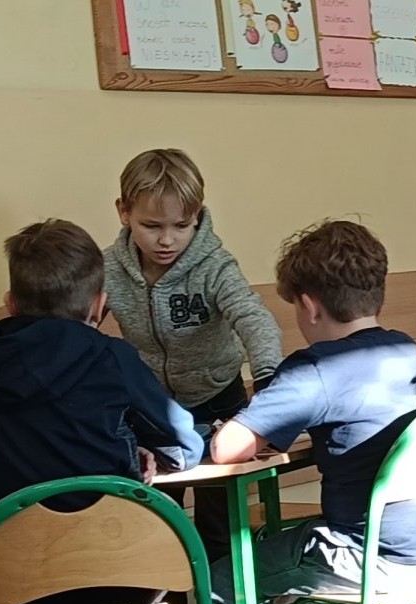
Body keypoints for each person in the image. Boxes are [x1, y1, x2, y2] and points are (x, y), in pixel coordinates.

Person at [205, 220, 416, 604]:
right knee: (317, 557)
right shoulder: (406, 348)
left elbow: (228, 448)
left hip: (380, 557)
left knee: (219, 587)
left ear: (309, 306)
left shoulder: (318, 367)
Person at [0, 220, 203, 604]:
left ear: (10, 304)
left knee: (67, 566)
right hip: (118, 575)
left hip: (22, 579)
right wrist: (136, 451)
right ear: (100, 305)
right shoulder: (109, 356)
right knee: (168, 539)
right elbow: (186, 445)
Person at [103, 148, 285, 562]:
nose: (167, 240)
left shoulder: (214, 266)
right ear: (124, 212)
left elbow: (253, 318)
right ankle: (167, 600)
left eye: (181, 226)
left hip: (218, 401)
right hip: (153, 410)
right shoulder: (109, 269)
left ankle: (221, 602)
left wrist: (267, 377)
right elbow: (80, 327)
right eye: (152, 226)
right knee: (157, 522)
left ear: (197, 217)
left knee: (219, 525)